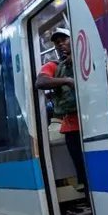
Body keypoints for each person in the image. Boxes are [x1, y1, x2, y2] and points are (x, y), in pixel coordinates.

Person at [34, 28, 86, 190]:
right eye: (57, 43)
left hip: (92, 123)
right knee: (83, 174)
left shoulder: (84, 59)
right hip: (72, 127)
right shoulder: (55, 66)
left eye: (64, 40)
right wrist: (67, 80)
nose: (61, 44)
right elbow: (40, 83)